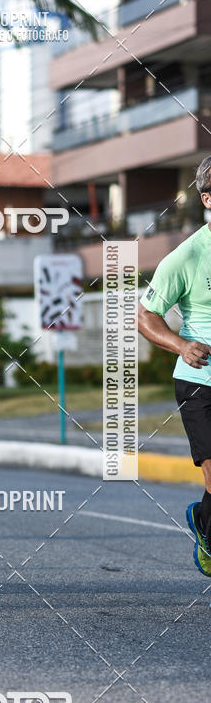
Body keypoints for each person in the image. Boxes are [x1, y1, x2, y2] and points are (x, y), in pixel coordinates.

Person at [138, 154, 211, 577]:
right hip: (201, 382)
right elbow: (146, 317)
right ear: (207, 198)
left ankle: (204, 520)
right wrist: (181, 345)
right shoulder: (186, 257)